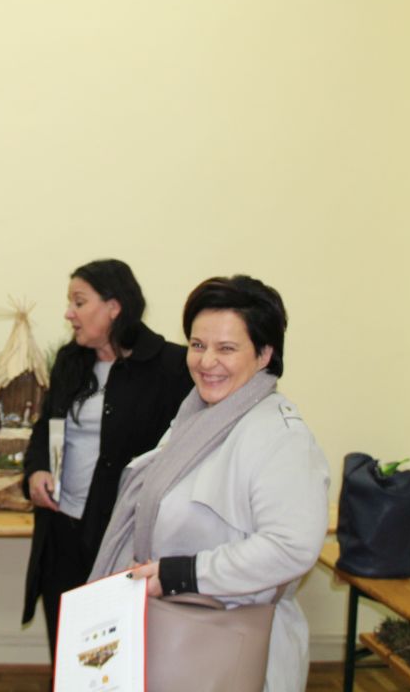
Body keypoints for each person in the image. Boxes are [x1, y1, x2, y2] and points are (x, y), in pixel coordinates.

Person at [89, 275, 330, 691]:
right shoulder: (197, 420)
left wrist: (183, 574)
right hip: (178, 637)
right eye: (198, 345)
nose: (206, 361)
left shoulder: (281, 437)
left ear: (264, 354)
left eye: (226, 348)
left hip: (234, 646)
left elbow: (291, 546)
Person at [21, 259, 192, 657]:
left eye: (79, 302)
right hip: (62, 527)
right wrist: (36, 469)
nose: (69, 313)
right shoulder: (70, 361)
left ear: (114, 306)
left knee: (111, 655)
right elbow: (45, 428)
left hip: (122, 537)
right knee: (66, 647)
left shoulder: (169, 367)